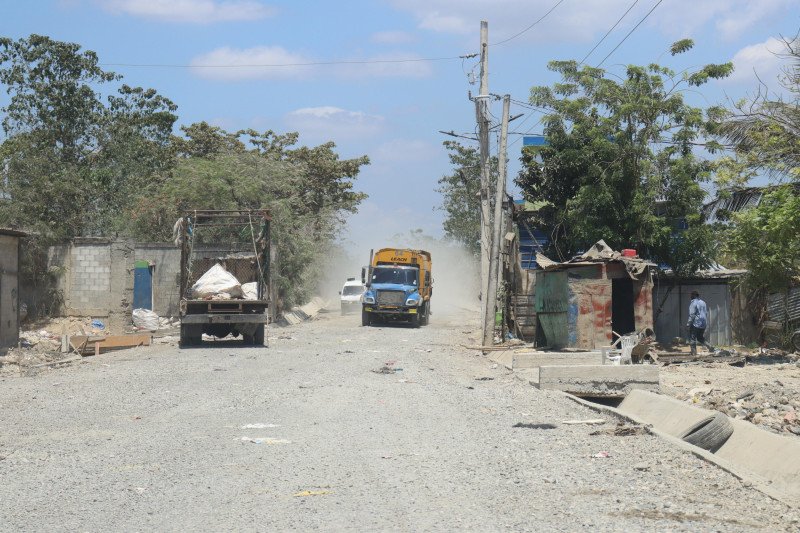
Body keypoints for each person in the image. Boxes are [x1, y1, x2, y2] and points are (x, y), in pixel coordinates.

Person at [687, 290, 714, 355]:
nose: (690, 296)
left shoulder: (693, 303)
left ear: (694, 295)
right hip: (703, 323)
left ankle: (694, 353)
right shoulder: (703, 302)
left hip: (696, 323)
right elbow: (706, 313)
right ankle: (709, 346)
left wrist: (688, 324)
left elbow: (692, 315)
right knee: (700, 337)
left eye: (691, 295)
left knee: (692, 337)